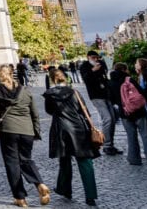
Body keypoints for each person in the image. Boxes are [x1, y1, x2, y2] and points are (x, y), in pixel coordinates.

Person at [0, 64, 50, 207]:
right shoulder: (25, 90)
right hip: (27, 131)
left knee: (12, 164)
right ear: (12, 74)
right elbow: (35, 113)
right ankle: (40, 184)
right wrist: (36, 131)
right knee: (26, 160)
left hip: (8, 131)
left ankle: (20, 198)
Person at [43, 67, 99, 206]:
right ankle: (90, 196)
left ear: (52, 79)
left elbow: (49, 111)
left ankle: (65, 189)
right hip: (78, 128)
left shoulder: (49, 94)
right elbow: (84, 110)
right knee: (85, 162)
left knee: (64, 161)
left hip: (61, 129)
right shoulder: (75, 92)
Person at [79, 50, 121, 155]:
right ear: (88, 57)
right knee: (108, 118)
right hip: (96, 96)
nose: (96, 59)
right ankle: (106, 145)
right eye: (93, 57)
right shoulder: (85, 66)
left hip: (106, 95)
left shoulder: (101, 64)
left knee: (113, 118)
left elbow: (105, 77)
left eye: (97, 57)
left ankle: (110, 144)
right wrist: (93, 70)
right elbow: (86, 79)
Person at [119, 59, 147, 165]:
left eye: (136, 63)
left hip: (129, 112)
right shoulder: (140, 75)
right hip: (140, 111)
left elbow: (145, 91)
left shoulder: (145, 74)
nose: (135, 65)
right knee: (146, 134)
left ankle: (134, 159)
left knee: (133, 136)